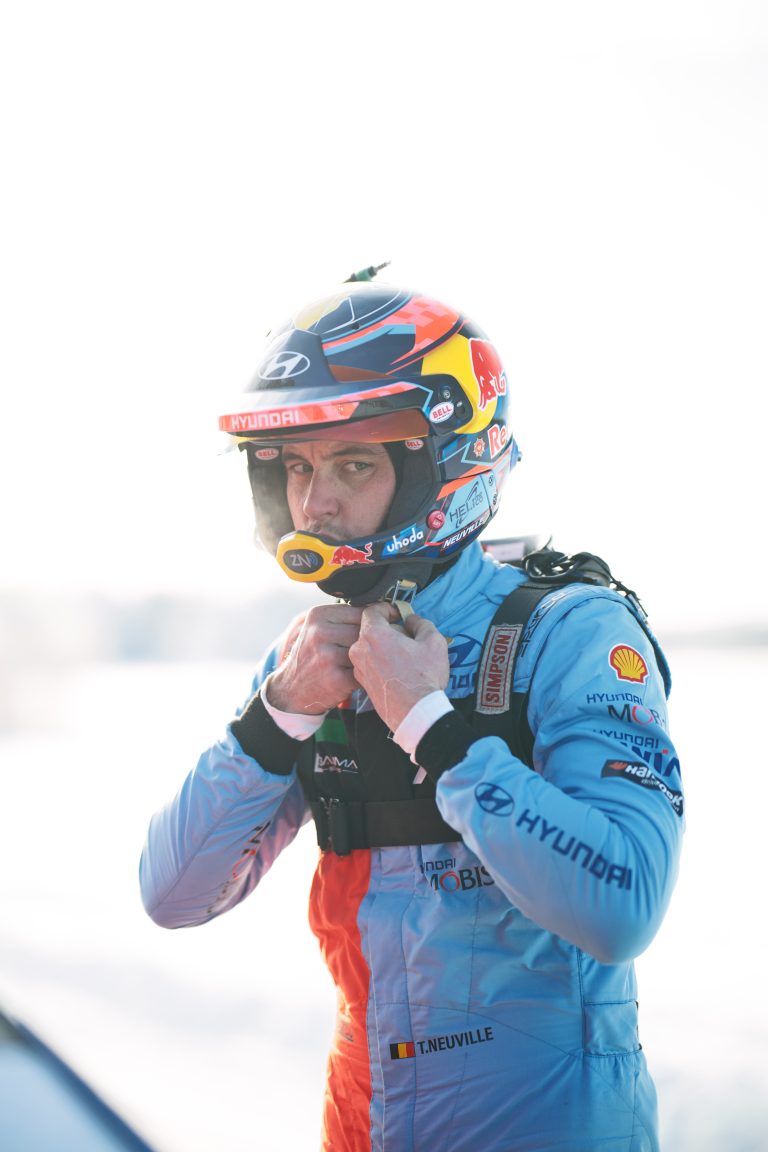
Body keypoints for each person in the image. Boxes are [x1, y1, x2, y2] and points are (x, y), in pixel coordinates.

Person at [140, 281, 683, 1151]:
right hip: (364, 1122)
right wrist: (277, 716)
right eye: (297, 468)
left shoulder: (570, 632)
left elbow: (623, 904)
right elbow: (172, 896)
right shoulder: (312, 658)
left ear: (444, 464)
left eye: (353, 464)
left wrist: (431, 723)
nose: (315, 505)